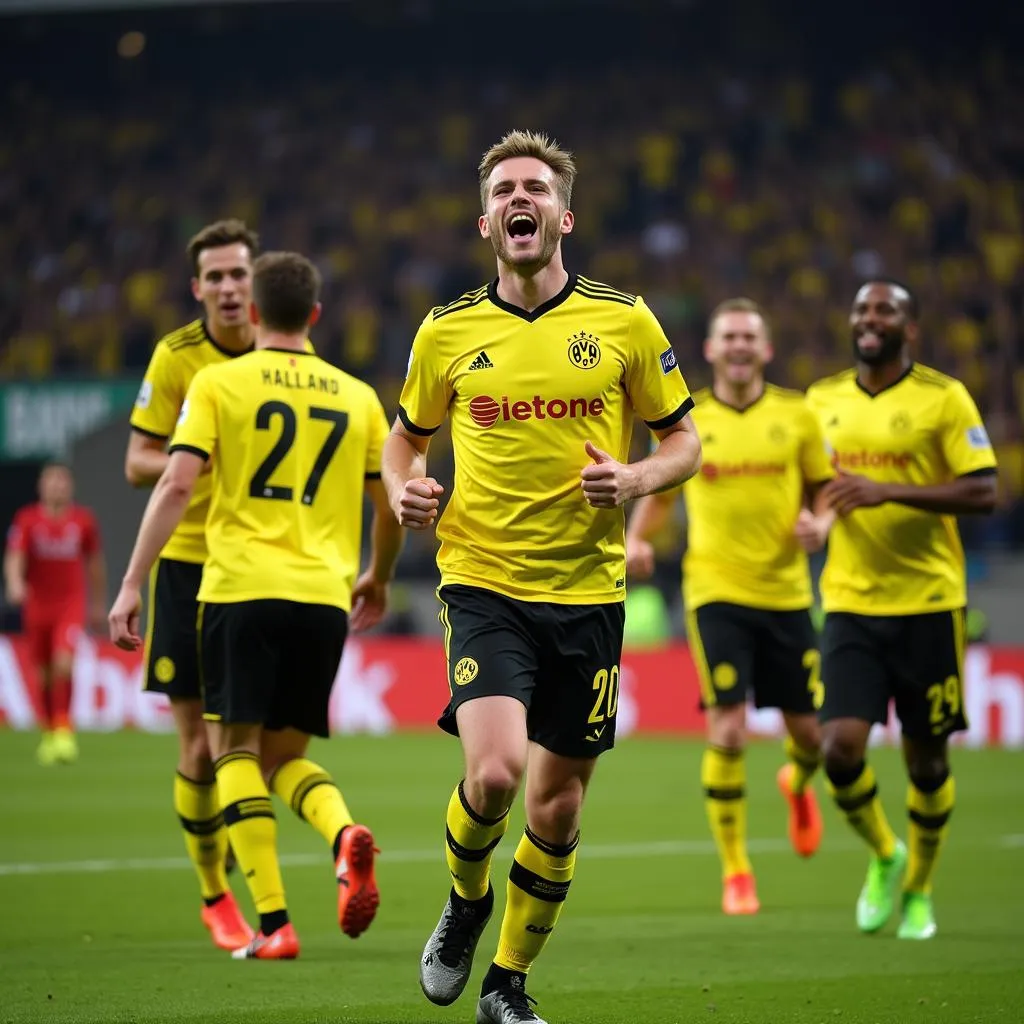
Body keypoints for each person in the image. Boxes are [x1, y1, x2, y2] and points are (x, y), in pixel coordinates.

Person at [382, 130, 701, 1024]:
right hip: (484, 581)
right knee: (493, 776)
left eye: (535, 187)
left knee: (556, 812)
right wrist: (406, 487)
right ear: (486, 221)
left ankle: (507, 985)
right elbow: (402, 436)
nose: (519, 199)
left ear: (564, 215)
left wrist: (634, 480)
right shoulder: (445, 331)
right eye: (503, 190)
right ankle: (463, 904)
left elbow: (685, 440)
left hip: (591, 595)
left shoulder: (625, 321)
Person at [110, 250, 402, 959]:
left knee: (230, 749)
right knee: (285, 759)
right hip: (323, 597)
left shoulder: (218, 381)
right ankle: (341, 834)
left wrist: (130, 581)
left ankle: (273, 924)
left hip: (239, 588)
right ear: (316, 315)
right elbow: (390, 499)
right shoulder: (357, 394)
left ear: (256, 312)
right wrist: (378, 576)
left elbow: (176, 486)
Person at [625, 298, 835, 915]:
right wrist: (638, 536)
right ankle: (737, 870)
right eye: (728, 337)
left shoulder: (798, 415)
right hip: (715, 591)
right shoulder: (693, 421)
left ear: (765, 350)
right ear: (711, 350)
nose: (739, 346)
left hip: (788, 594)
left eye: (750, 336)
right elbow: (661, 493)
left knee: (810, 737)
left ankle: (796, 782)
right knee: (729, 726)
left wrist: (820, 524)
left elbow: (825, 490)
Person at [807, 280, 997, 941]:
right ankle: (886, 853)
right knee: (838, 750)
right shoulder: (820, 400)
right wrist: (814, 520)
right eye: (860, 308)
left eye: (884, 310)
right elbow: (808, 486)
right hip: (852, 603)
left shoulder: (944, 398)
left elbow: (984, 491)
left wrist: (888, 489)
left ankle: (919, 886)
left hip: (928, 604)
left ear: (909, 328)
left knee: (928, 764)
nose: (869, 319)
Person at [124, 218, 261, 951]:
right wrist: (193, 455)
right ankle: (216, 895)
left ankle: (244, 860)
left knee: (254, 739)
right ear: (197, 287)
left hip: (259, 564)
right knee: (199, 745)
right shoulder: (177, 357)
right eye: (217, 277)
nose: (230, 288)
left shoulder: (283, 350)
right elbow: (138, 461)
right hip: (187, 564)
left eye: (240, 273)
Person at [4, 462, 105, 765]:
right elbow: (14, 557)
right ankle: (49, 732)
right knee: (43, 674)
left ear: (70, 486)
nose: (57, 486)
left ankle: (63, 731)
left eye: (62, 481)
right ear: (41, 486)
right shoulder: (27, 520)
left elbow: (94, 564)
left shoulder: (83, 521)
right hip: (38, 606)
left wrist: (98, 603)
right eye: (51, 481)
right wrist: (14, 583)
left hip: (70, 605)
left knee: (64, 664)